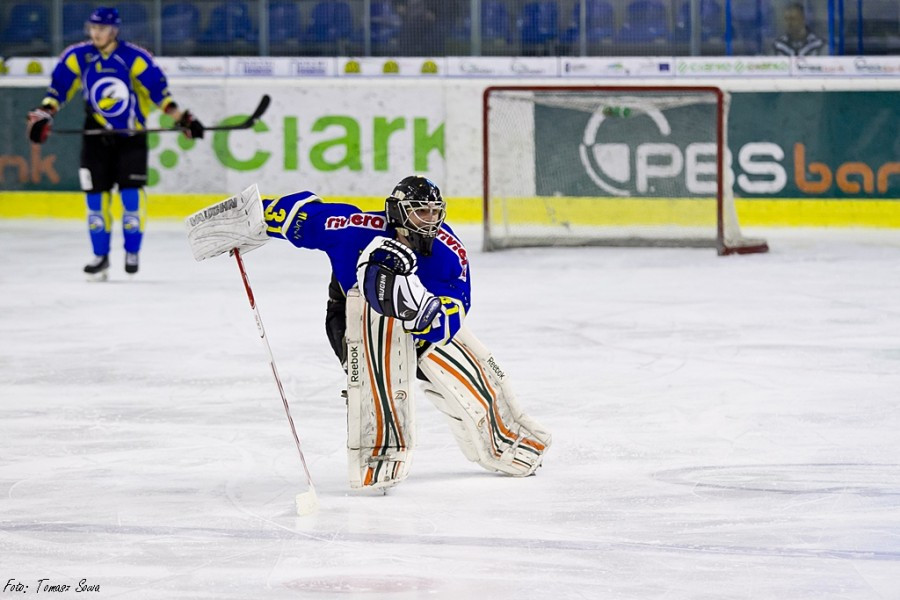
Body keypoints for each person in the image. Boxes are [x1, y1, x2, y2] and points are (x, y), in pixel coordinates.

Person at [185, 176, 552, 490]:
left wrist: (423, 316)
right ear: (397, 212)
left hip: (421, 314)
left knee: (470, 375)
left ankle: (502, 436)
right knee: (377, 383)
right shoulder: (348, 227)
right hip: (351, 311)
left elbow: (455, 307)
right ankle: (378, 450)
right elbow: (294, 214)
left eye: (435, 212)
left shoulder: (447, 251)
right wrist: (247, 218)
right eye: (420, 212)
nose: (431, 220)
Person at [26, 6, 204, 280]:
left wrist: (183, 119)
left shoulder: (134, 57)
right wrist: (44, 113)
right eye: (93, 28)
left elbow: (159, 94)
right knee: (95, 200)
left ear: (115, 30)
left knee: (131, 197)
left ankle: (132, 251)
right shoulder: (78, 56)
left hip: (131, 137)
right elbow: (58, 91)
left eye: (102, 28)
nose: (96, 33)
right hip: (95, 137)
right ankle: (101, 257)